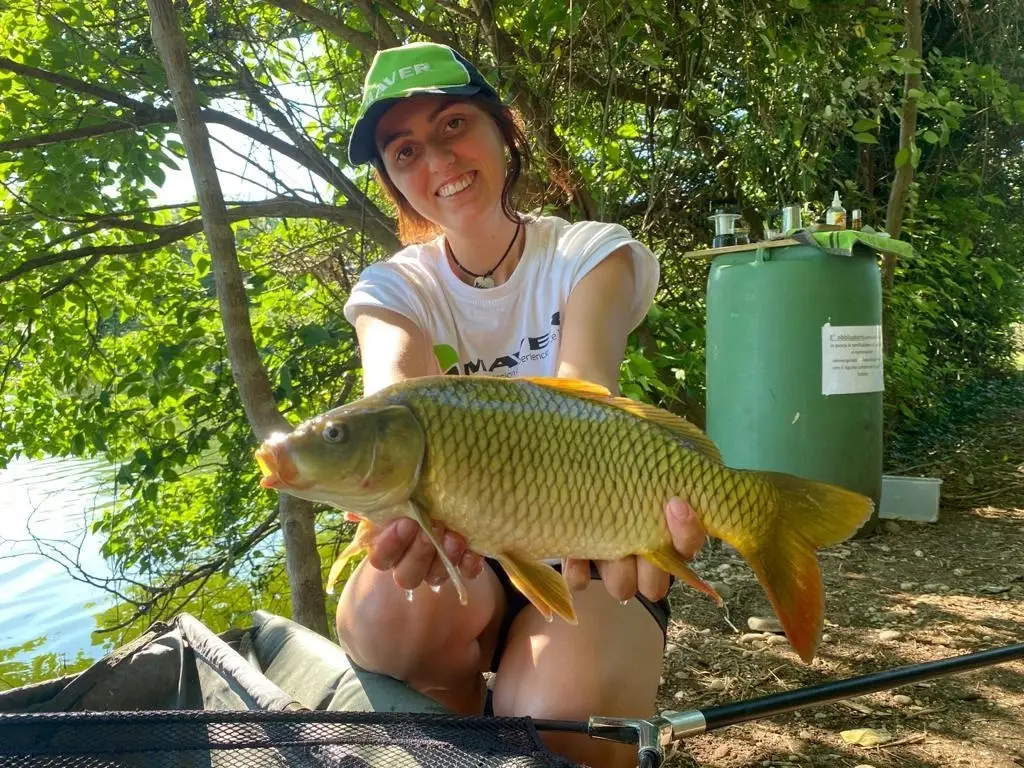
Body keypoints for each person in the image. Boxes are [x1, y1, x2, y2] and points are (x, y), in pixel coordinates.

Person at [336, 41, 707, 768]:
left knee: (557, 721)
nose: (438, 161)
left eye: (452, 125)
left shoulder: (591, 253)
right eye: (404, 150)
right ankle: (457, 739)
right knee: (382, 621)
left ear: (504, 129)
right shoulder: (391, 289)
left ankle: (534, 709)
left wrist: (655, 513)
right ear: (391, 181)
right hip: (462, 554)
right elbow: (392, 397)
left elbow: (581, 397)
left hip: (583, 538)